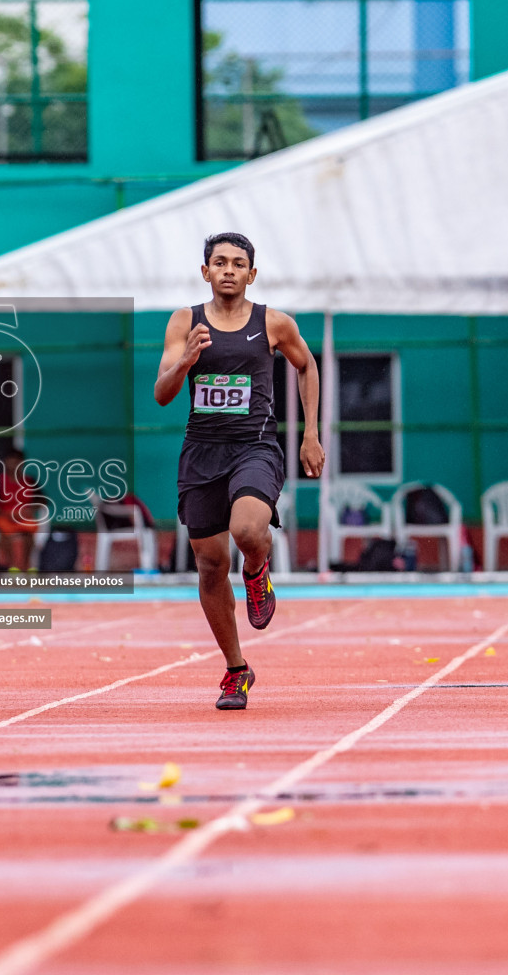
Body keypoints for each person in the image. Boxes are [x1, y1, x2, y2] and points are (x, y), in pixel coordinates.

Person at [154, 233, 324, 710]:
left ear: (252, 273)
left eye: (238, 263)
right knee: (209, 565)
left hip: (255, 448)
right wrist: (186, 359)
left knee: (248, 529)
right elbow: (162, 393)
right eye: (219, 262)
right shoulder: (184, 322)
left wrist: (310, 434)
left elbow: (306, 366)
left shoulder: (273, 322)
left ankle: (257, 570)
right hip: (201, 452)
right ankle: (236, 670)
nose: (228, 270)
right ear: (205, 271)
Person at [0, 448, 42, 572]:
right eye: (11, 461)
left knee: (28, 537)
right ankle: (13, 567)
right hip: (6, 518)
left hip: (25, 518)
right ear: (5, 462)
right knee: (6, 535)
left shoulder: (30, 481)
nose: (13, 465)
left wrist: (29, 511)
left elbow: (41, 501)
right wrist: (8, 514)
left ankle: (27, 566)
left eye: (16, 461)